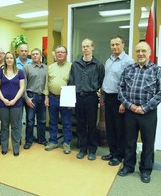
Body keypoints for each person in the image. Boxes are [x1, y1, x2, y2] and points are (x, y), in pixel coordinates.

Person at [117, 41, 161, 183]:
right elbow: (121, 89)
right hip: (131, 111)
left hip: (148, 113)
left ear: (149, 53)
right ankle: (128, 166)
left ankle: (146, 170)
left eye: (143, 51)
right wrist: (130, 106)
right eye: (138, 51)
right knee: (129, 140)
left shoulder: (157, 70)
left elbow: (160, 92)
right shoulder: (129, 69)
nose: (140, 54)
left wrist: (144, 108)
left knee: (148, 143)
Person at [68, 38, 105, 160]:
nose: (85, 48)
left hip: (91, 97)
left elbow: (101, 82)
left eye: (88, 46)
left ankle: (92, 150)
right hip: (79, 97)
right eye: (83, 46)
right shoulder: (75, 64)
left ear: (92, 47)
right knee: (81, 124)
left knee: (92, 125)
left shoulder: (98, 65)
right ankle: (82, 149)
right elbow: (71, 82)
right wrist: (70, 100)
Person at [101, 36, 134, 166]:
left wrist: (124, 102)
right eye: (112, 45)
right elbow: (106, 80)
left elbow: (130, 84)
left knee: (120, 128)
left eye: (117, 44)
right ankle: (112, 152)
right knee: (110, 127)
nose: (114, 47)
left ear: (123, 45)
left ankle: (119, 155)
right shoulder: (109, 60)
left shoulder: (128, 61)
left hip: (119, 99)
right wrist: (103, 97)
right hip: (108, 97)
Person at [44, 45, 73, 154]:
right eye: (58, 52)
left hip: (66, 98)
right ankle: (53, 141)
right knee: (53, 121)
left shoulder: (72, 67)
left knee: (66, 122)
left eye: (62, 52)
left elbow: (74, 83)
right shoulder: (50, 67)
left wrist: (71, 100)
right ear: (55, 54)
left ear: (66, 54)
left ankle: (66, 143)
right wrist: (46, 96)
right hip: (52, 98)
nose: (60, 54)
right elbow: (47, 83)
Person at [0, 51, 25, 156]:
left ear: (14, 59)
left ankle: (16, 148)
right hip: (2, 103)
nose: (9, 60)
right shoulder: (0, 72)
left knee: (15, 126)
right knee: (4, 125)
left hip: (16, 103)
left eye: (11, 58)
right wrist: (3, 99)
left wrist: (14, 100)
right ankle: (4, 147)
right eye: (7, 58)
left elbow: (22, 88)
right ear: (5, 59)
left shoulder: (20, 72)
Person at [23, 48, 48, 149]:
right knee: (30, 120)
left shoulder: (46, 68)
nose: (35, 56)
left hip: (42, 96)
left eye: (37, 54)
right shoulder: (26, 68)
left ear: (41, 55)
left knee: (42, 120)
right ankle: (29, 140)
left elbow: (47, 84)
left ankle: (41, 139)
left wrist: (47, 97)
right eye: (33, 54)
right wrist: (26, 98)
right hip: (31, 96)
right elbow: (23, 85)